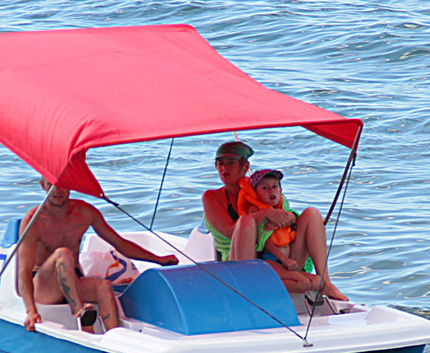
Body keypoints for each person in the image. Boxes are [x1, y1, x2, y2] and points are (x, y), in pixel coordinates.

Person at [18, 179, 179, 333]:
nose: (57, 190)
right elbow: (23, 271)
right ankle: (81, 313)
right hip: (44, 288)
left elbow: (120, 244)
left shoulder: (85, 212)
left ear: (70, 186)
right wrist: (30, 311)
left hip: (73, 280)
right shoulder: (33, 220)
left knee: (104, 287)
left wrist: (158, 259)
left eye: (62, 185)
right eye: (51, 185)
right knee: (63, 253)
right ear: (43, 185)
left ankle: (114, 338)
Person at [201, 142, 348, 301]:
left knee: (312, 214)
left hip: (281, 258)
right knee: (245, 221)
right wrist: (265, 215)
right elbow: (231, 232)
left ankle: (325, 282)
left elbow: (287, 219)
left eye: (231, 163)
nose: (224, 169)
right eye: (220, 164)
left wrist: (289, 217)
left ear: (245, 166)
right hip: (243, 263)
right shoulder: (211, 197)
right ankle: (248, 286)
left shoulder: (263, 188)